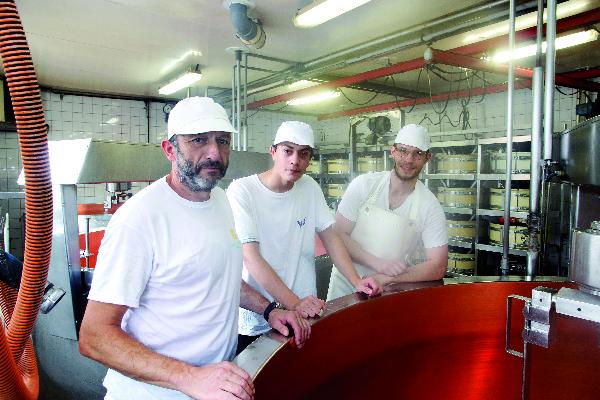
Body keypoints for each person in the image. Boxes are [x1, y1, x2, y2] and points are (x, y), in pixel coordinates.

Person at [79, 97, 311, 400]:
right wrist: (191, 378)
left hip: (215, 387)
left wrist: (269, 310)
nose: (214, 153)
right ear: (170, 149)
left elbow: (219, 276)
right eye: (199, 140)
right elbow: (94, 336)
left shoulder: (220, 201)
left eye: (222, 141)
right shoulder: (140, 219)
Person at [226, 121, 381, 353]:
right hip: (260, 317)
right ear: (273, 152)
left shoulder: (308, 187)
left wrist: (356, 280)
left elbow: (331, 236)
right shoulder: (242, 191)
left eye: (303, 154)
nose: (295, 160)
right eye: (287, 151)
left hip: (304, 315)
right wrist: (293, 302)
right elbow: (250, 258)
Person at [327, 124, 448, 300]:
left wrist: (386, 278)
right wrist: (378, 264)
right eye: (403, 151)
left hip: (386, 289)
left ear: (428, 157)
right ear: (392, 151)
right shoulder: (364, 185)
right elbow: (337, 234)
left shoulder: (430, 206)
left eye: (418, 153)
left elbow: (438, 265)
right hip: (345, 282)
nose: (408, 159)